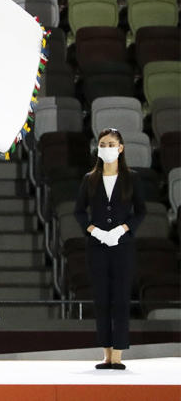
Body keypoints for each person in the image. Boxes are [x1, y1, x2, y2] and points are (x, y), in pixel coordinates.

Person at [73, 128, 145, 371]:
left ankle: (118, 355)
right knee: (102, 299)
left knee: (121, 299)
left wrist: (124, 228)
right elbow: (79, 211)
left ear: (120, 148)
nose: (107, 147)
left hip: (122, 246)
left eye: (111, 144)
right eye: (103, 144)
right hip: (97, 246)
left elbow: (141, 211)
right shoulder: (89, 178)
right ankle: (105, 353)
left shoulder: (132, 178)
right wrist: (93, 230)